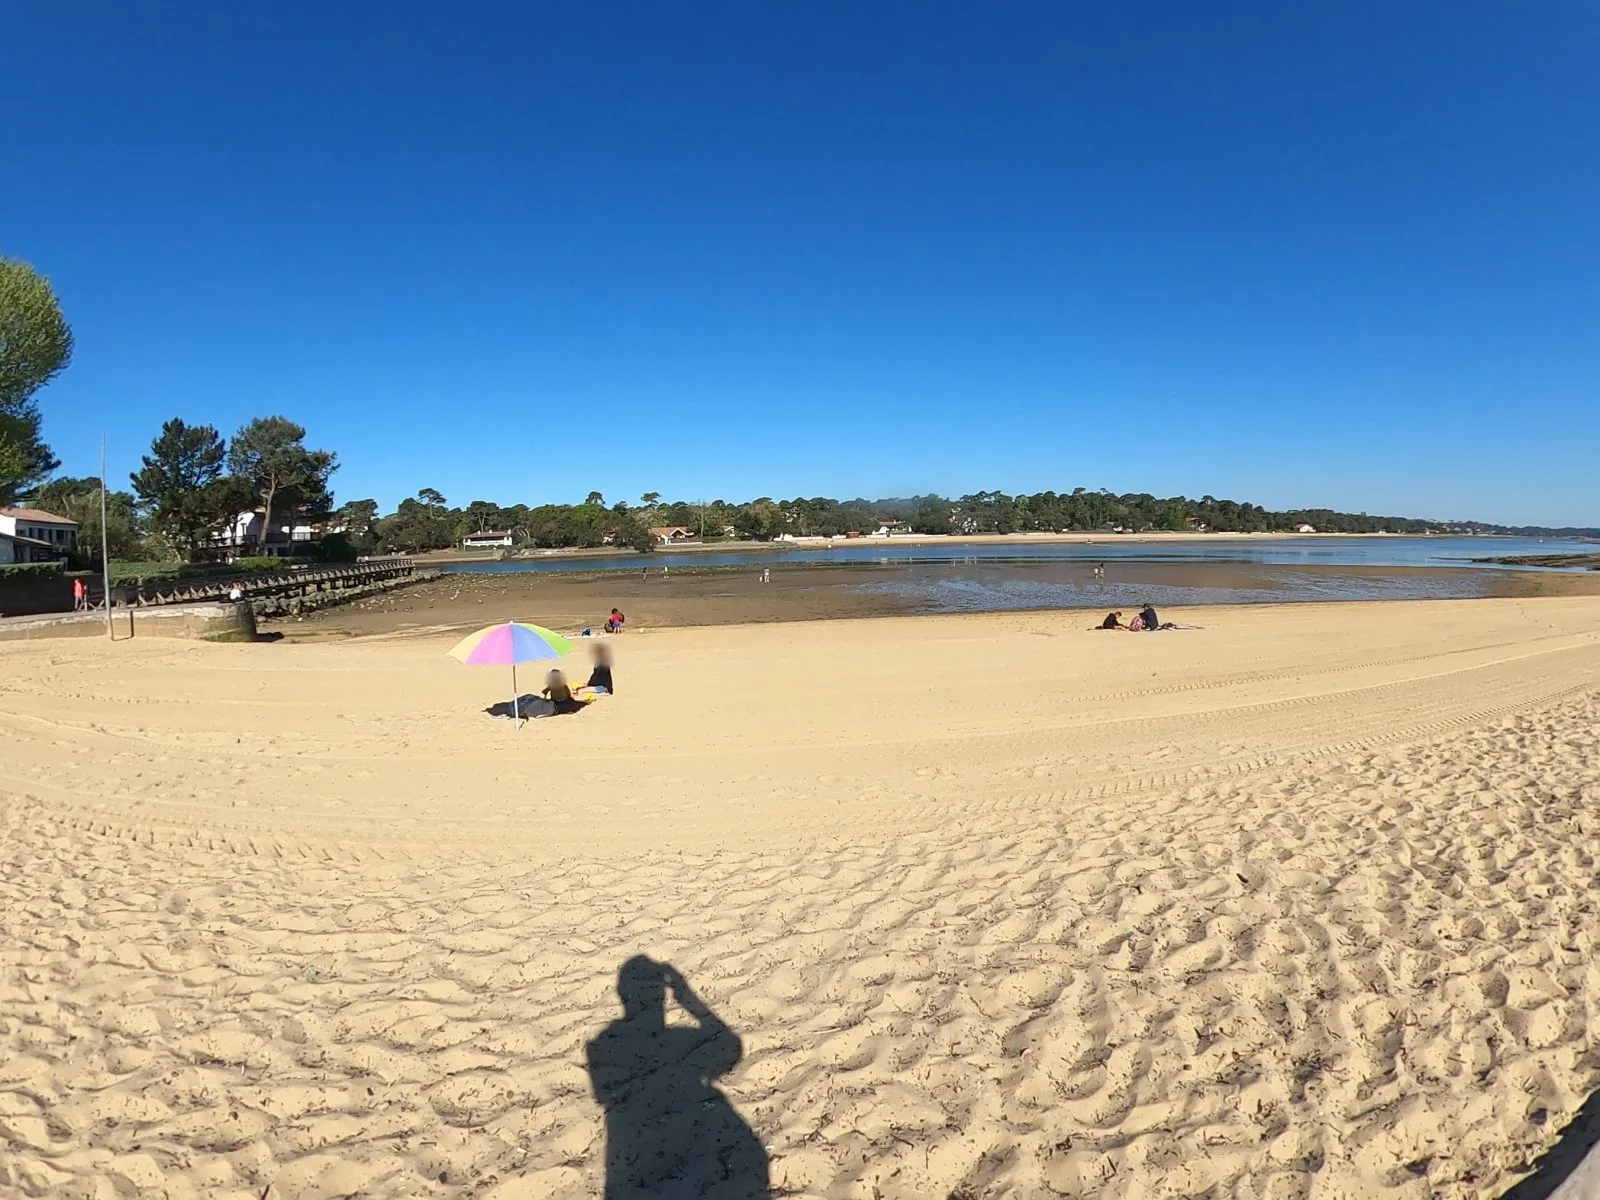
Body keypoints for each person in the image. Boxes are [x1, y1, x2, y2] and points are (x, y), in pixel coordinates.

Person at [587, 957, 770, 1198]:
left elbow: (602, 1094)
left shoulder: (601, 1045)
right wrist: (687, 999)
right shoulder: (678, 1039)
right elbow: (731, 1045)